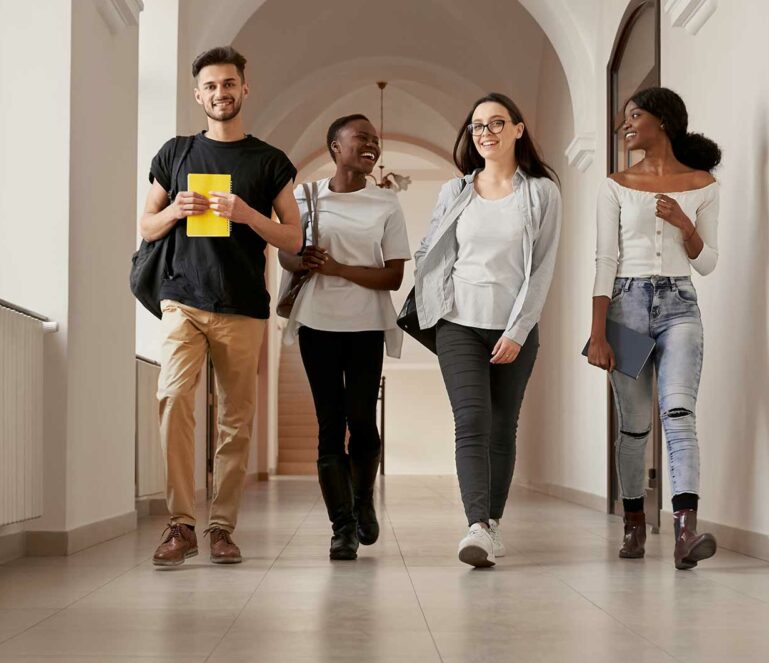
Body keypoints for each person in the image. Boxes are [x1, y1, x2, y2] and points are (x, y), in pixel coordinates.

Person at [139, 46, 302, 566]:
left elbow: (294, 240)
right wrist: (174, 212)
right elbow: (145, 225)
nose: (220, 93)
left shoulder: (270, 161)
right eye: (210, 86)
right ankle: (180, 523)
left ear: (244, 89)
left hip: (242, 305)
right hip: (181, 298)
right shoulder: (175, 153)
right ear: (198, 95)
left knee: (235, 420)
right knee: (172, 398)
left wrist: (248, 214)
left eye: (228, 84)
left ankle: (221, 528)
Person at [413, 93, 561, 568]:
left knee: (503, 426)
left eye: (497, 123)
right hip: (458, 323)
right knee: (471, 421)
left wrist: (518, 329)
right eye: (478, 126)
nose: (486, 133)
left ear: (518, 129)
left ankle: (493, 523)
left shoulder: (540, 192)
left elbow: (542, 269)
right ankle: (475, 525)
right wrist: (434, 300)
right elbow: (430, 249)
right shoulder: (454, 191)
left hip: (515, 326)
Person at [587, 86, 721, 569]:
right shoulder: (615, 184)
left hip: (680, 304)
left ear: (661, 120)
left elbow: (707, 263)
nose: (626, 125)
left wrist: (686, 224)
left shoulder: (704, 184)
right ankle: (634, 524)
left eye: (634, 115)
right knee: (635, 427)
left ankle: (686, 532)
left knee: (679, 414)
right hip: (625, 306)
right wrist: (598, 332)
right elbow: (605, 259)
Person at [278, 114, 410, 561]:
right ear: (336, 147)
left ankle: (362, 498)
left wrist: (337, 269)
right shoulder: (305, 195)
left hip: (367, 325)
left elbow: (393, 276)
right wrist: (302, 260)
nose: (371, 144)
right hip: (317, 322)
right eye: (361, 138)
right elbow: (285, 253)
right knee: (330, 427)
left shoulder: (386, 204)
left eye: (375, 139)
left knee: (363, 423)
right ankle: (343, 528)